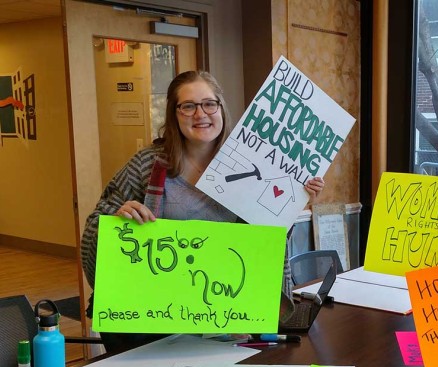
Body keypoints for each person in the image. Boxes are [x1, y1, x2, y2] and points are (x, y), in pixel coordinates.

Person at [81, 70, 324, 350]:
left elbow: (266, 238)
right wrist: (119, 218)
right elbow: (96, 225)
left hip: (220, 319)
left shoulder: (253, 166)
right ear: (174, 114)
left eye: (209, 104)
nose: (201, 114)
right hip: (149, 322)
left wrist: (294, 198)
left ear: (221, 109)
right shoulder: (148, 165)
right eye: (188, 106)